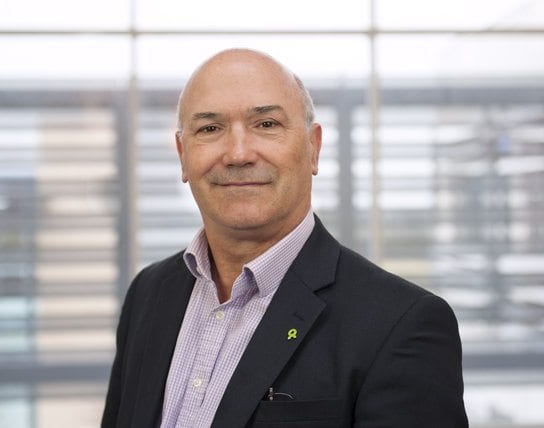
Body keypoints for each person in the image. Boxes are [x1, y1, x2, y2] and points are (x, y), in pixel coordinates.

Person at [101, 48, 468, 427]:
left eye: (266, 124)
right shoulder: (149, 293)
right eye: (210, 129)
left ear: (313, 147)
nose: (238, 154)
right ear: (182, 154)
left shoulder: (401, 324)